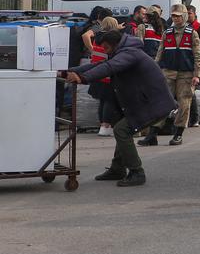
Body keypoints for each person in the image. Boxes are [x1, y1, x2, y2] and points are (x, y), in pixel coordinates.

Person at [61, 29, 177, 186]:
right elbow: (101, 64)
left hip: (152, 104)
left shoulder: (130, 53)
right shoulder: (123, 52)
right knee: (121, 129)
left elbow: (109, 67)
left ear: (114, 45)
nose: (105, 51)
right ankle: (118, 168)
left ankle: (137, 172)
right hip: (144, 102)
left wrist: (82, 78)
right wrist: (69, 72)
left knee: (121, 130)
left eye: (106, 48)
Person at [144, 4, 200, 147]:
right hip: (168, 72)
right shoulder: (167, 32)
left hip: (186, 74)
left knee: (184, 103)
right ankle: (152, 135)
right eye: (173, 16)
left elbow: (197, 55)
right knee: (162, 102)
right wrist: (155, 69)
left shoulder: (192, 33)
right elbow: (160, 53)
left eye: (178, 15)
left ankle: (178, 134)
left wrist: (197, 75)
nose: (175, 18)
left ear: (183, 16)